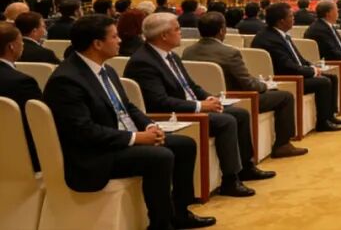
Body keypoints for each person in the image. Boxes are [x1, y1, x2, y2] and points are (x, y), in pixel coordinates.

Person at [43, 14, 215, 229]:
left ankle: (180, 212)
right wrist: (135, 138)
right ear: (97, 44)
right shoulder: (67, 80)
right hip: (95, 153)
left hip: (117, 138)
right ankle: (161, 224)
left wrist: (149, 125)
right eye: (114, 37)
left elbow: (127, 107)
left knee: (184, 145)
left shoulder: (105, 69)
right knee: (160, 156)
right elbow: (83, 131)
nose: (120, 41)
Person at [124, 12, 273, 197]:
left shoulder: (171, 56)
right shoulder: (143, 62)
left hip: (190, 106)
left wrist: (209, 99)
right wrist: (200, 107)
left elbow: (191, 86)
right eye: (177, 29)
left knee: (240, 113)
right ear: (163, 35)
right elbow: (159, 101)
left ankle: (246, 167)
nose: (181, 33)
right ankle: (230, 179)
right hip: (171, 113)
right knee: (226, 121)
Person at [182, 12, 307, 159]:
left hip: (206, 99)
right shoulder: (230, 53)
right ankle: (282, 145)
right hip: (239, 98)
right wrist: (264, 86)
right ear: (222, 30)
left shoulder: (187, 51)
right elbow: (248, 84)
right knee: (285, 97)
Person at [253, 3, 341, 131]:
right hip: (286, 77)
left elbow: (297, 58)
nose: (294, 19)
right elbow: (286, 65)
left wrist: (311, 66)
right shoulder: (269, 39)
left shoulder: (280, 34)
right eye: (291, 16)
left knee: (332, 77)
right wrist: (311, 71)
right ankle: (322, 122)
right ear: (281, 21)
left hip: (295, 72)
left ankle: (330, 116)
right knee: (324, 82)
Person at [0, 21, 42, 171]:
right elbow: (40, 123)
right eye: (21, 42)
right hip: (21, 160)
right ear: (11, 46)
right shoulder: (22, 82)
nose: (23, 45)